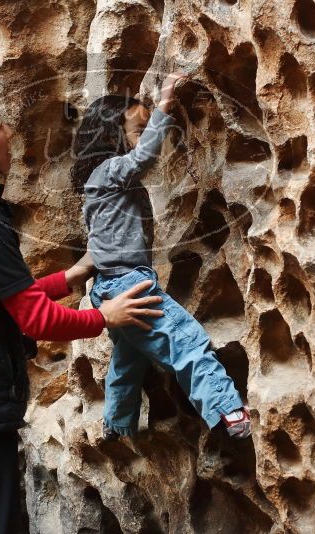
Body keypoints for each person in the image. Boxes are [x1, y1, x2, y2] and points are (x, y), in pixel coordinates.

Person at [0, 90, 165, 534]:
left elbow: (2, 297)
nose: (8, 133)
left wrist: (71, 276)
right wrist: (106, 317)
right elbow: (35, 319)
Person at [71, 73, 252, 441]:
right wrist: (165, 104)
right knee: (187, 342)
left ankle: (117, 427)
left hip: (108, 287)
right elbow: (142, 158)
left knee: (128, 361)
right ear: (111, 139)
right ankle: (227, 411)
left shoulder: (100, 182)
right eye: (137, 130)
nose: (143, 137)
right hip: (130, 284)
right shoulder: (109, 172)